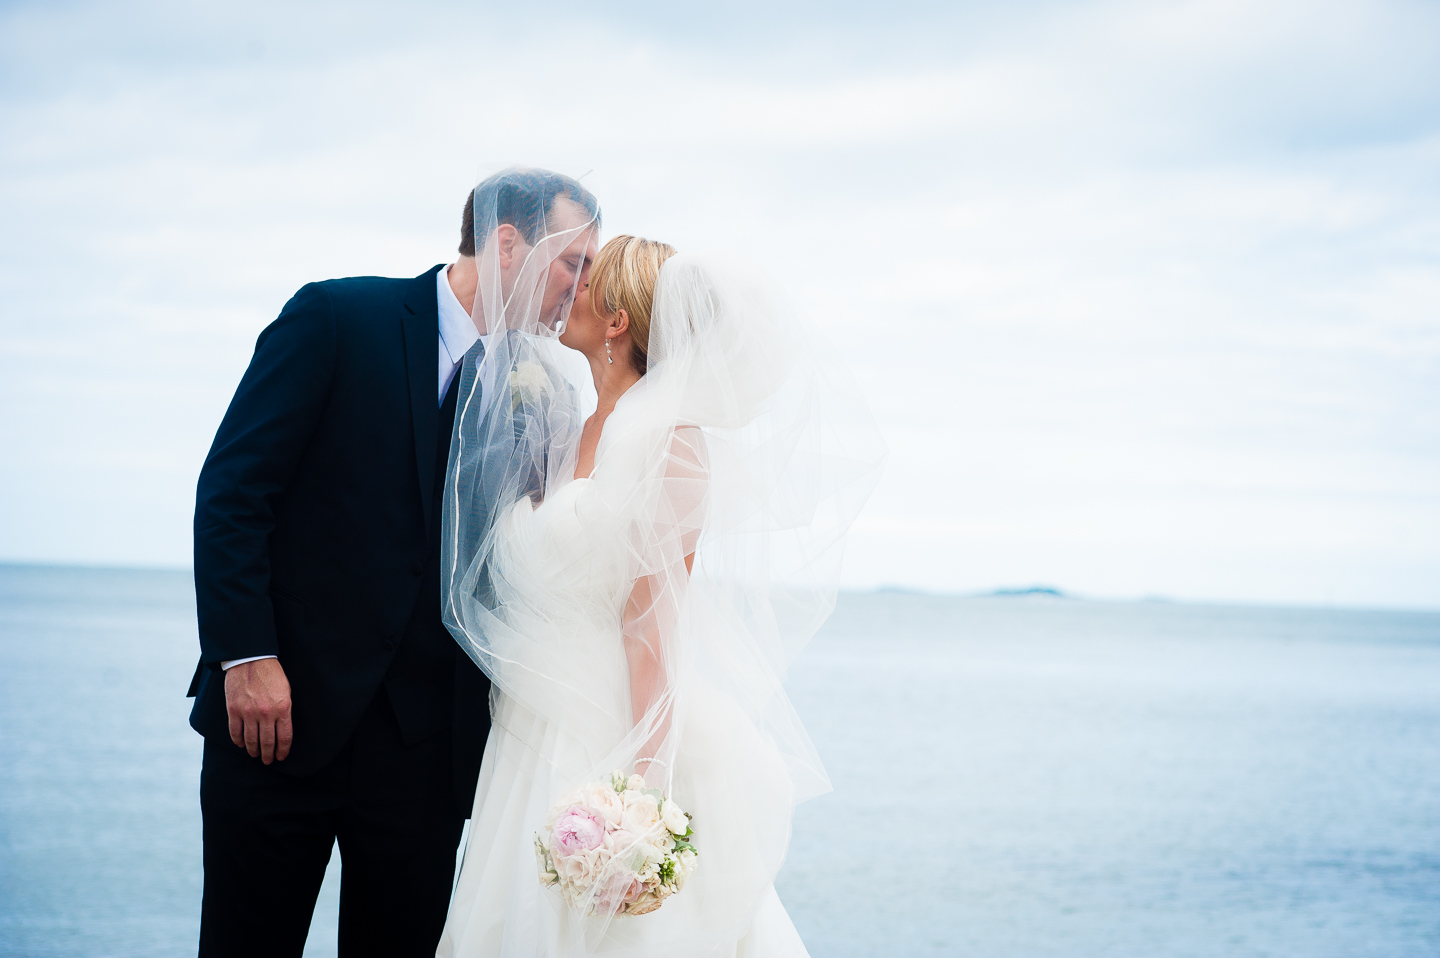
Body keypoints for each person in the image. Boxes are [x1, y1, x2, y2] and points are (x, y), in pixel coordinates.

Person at [188, 168, 600, 957]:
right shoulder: (338, 317)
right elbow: (234, 492)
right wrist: (247, 654)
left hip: (427, 755)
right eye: (571, 262)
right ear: (508, 243)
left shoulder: (543, 393)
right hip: (278, 721)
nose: (579, 287)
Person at [437, 233, 885, 956]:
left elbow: (652, 624)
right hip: (526, 722)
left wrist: (640, 796)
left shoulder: (670, 441)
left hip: (600, 729)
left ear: (617, 321)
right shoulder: (569, 430)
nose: (569, 289)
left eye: (587, 280)